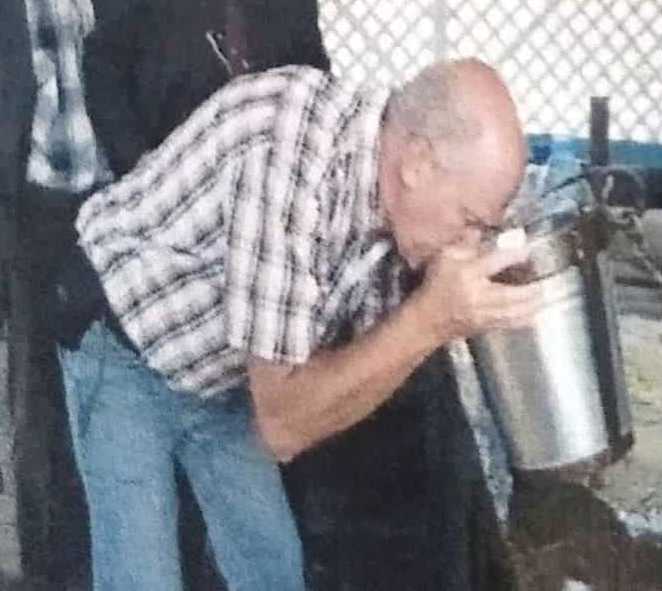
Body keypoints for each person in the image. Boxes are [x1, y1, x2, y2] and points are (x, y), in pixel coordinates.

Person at [58, 58, 541, 590]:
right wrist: (430, 318)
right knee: (141, 577)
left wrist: (450, 313)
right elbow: (284, 424)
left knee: (272, 569)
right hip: (124, 344)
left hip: (229, 369)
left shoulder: (395, 200)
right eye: (469, 221)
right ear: (418, 163)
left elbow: (356, 368)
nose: (468, 244)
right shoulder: (290, 154)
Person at [0, 0, 328, 586]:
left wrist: (150, 177)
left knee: (202, 421)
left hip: (159, 214)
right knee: (55, 419)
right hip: (46, 209)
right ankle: (62, 569)